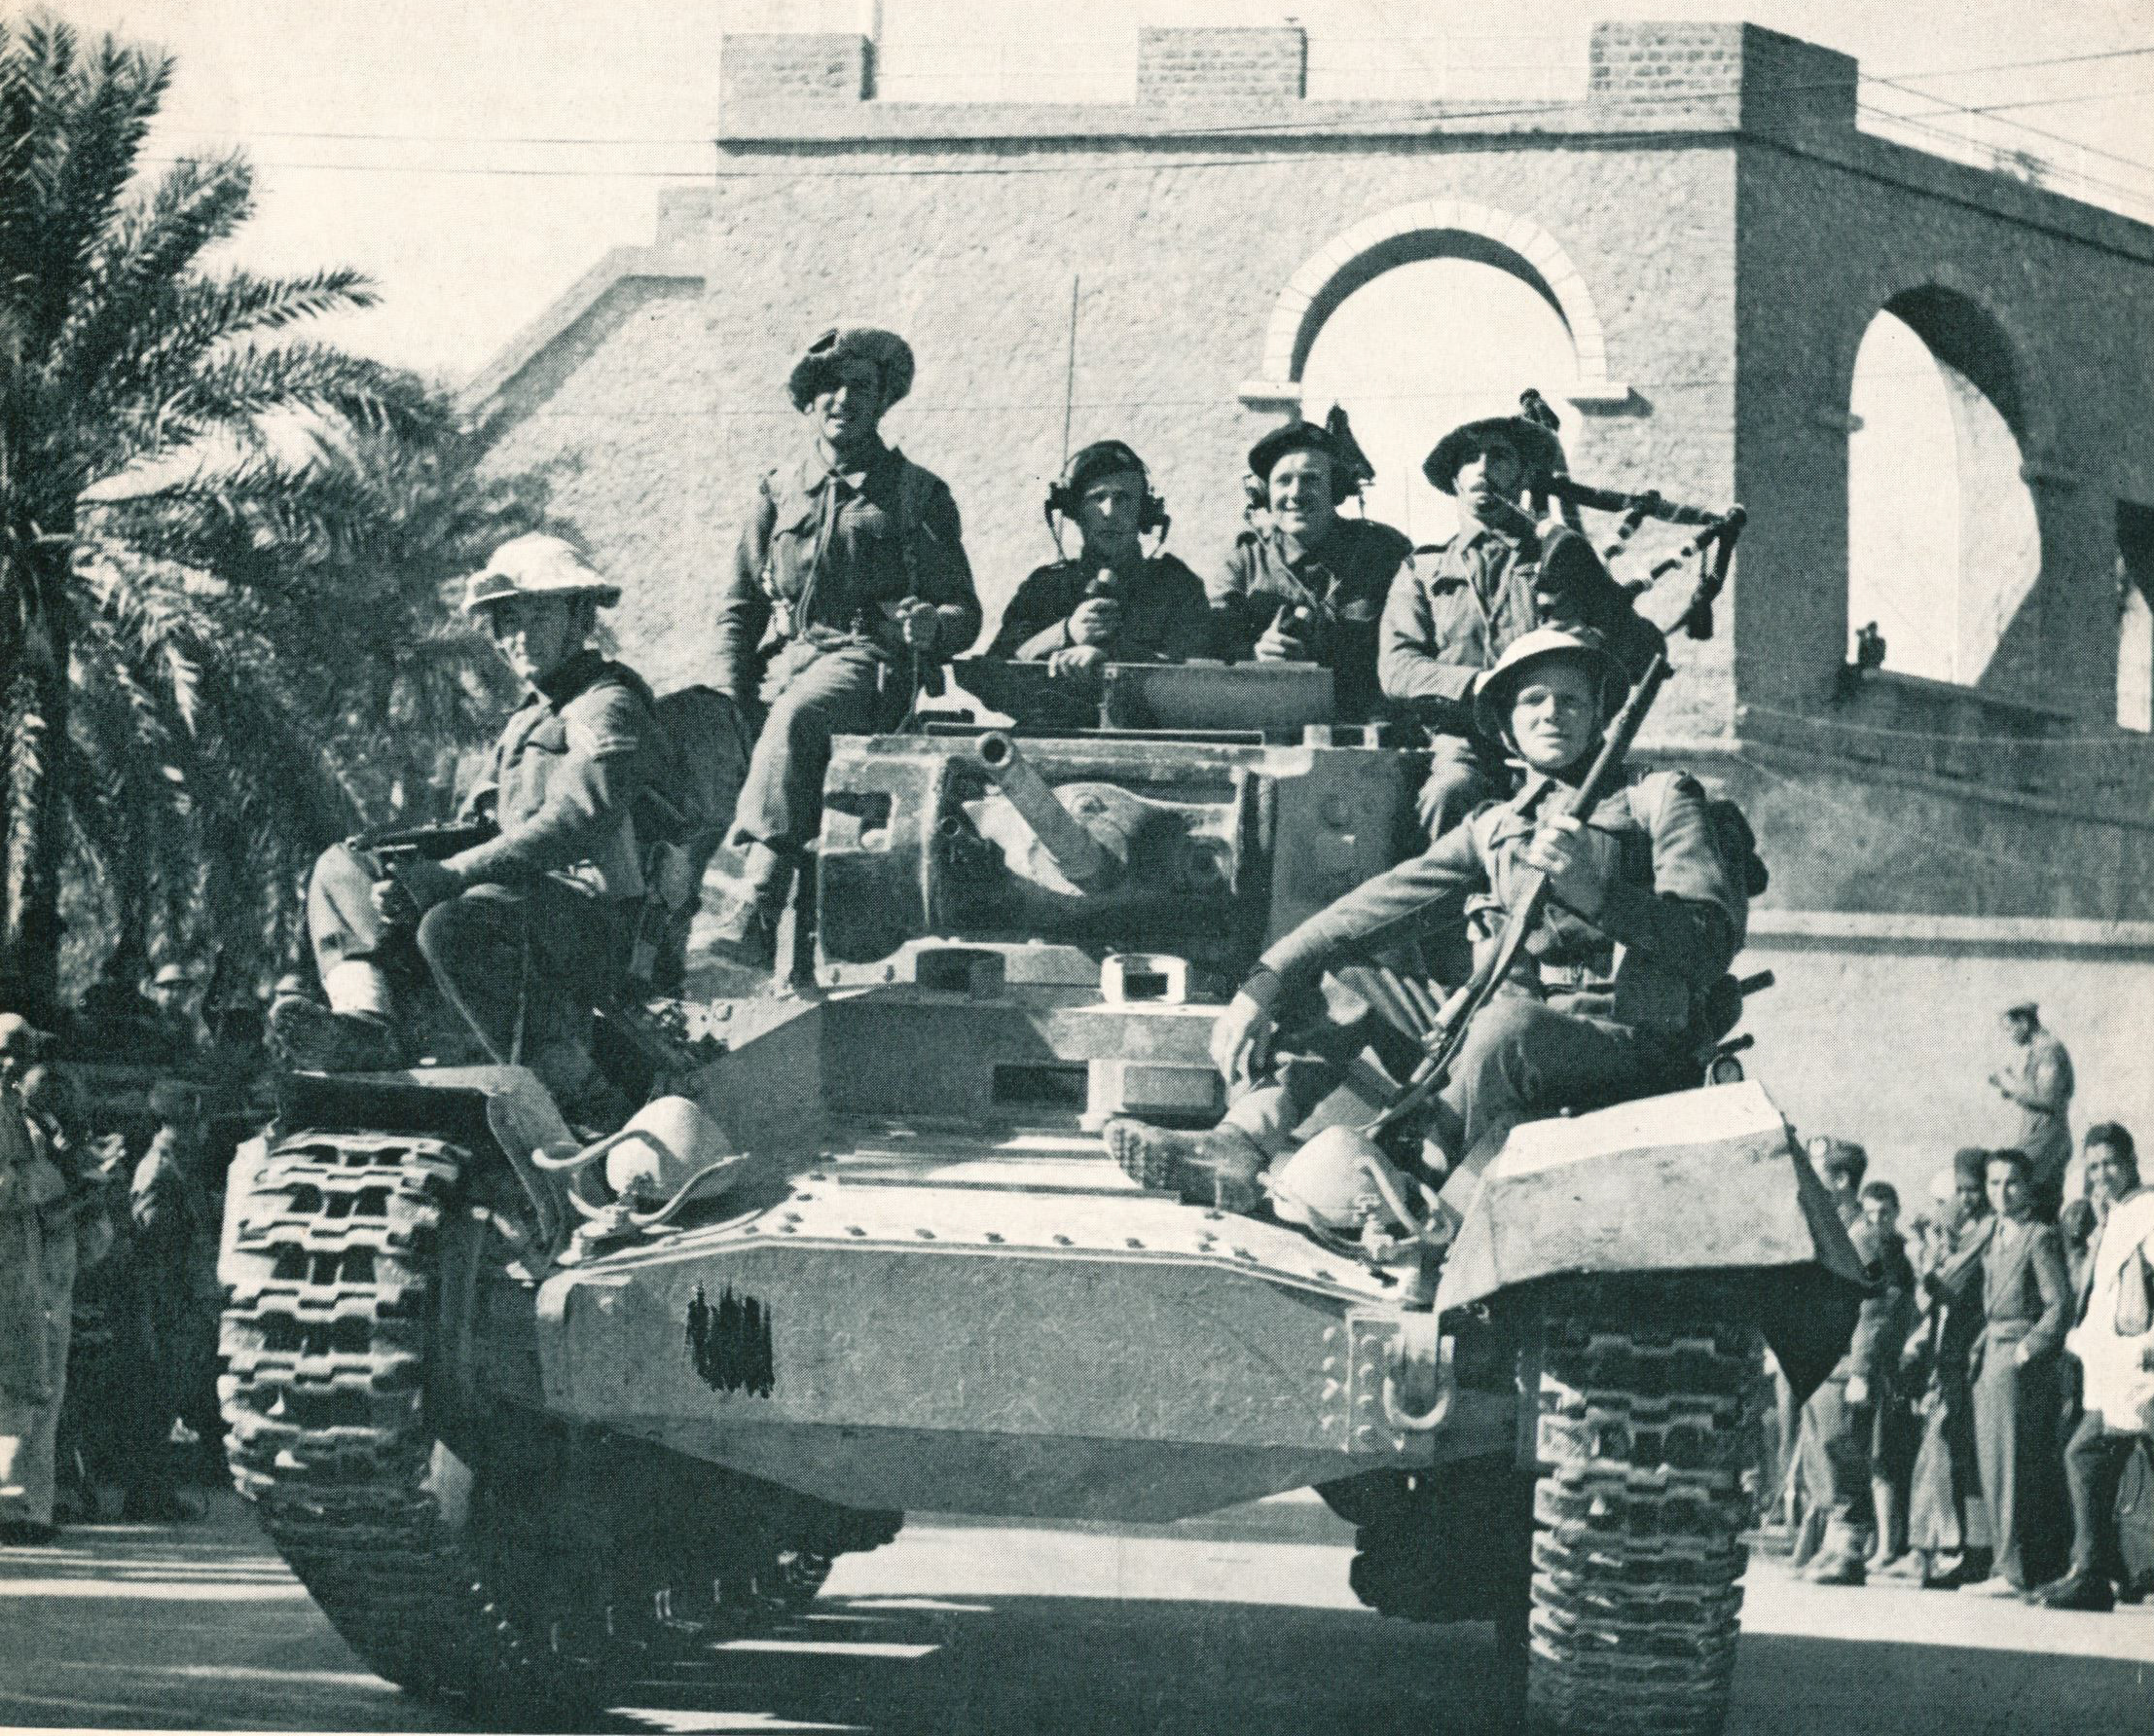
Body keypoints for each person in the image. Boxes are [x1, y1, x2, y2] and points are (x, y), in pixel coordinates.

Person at [1101, 628, 1742, 1215]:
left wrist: (1597, 894)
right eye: (1533, 700)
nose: (1552, 713)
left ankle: (1417, 1193)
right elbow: (1368, 911)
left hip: (1627, 1037)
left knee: (1503, 1029)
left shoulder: (1659, 799)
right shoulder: (1495, 827)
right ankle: (1237, 1145)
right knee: (1349, 978)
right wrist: (1264, 983)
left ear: (1600, 714)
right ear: (1506, 724)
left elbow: (1709, 943)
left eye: (1571, 701)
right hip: (1505, 1021)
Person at [270, 534, 656, 1105]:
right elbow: (483, 825)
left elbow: (580, 818)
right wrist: (402, 870)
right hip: (516, 900)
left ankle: (578, 1088)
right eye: (505, 622)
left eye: (535, 617)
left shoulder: (606, 705)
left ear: (580, 617)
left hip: (592, 921)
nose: (516, 637)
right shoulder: (531, 716)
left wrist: (448, 876)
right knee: (344, 865)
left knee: (453, 924)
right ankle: (365, 1024)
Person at [706, 324, 980, 968]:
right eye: (828, 385)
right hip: (787, 661)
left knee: (798, 715)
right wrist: (727, 697)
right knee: (691, 733)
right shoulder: (778, 491)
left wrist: (932, 627)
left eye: (860, 386)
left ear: (883, 399)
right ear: (808, 399)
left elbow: (964, 611)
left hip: (870, 665)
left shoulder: (917, 494)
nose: (843, 398)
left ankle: (754, 903)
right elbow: (740, 606)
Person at [1380, 410, 1666, 839]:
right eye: (1469, 458)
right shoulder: (1422, 570)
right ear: (1455, 479)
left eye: (1498, 457)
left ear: (1525, 474)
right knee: (1448, 792)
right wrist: (1479, 684)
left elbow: (1645, 653)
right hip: (1467, 742)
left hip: (1560, 738)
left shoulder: (1562, 556)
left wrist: (1594, 618)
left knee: (1620, 818)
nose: (1482, 468)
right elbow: (1398, 668)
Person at [1207, 418, 1412, 725]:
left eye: (1311, 479)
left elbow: (1413, 645)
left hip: (1368, 723)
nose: (1296, 493)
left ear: (1336, 489)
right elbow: (1211, 650)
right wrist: (1256, 655)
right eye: (1283, 481)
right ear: (1264, 493)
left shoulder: (1384, 551)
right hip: (1271, 721)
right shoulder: (1244, 561)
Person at [2034, 1125, 2153, 1609]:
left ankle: (2093, 1574)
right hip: (2114, 1374)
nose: (2102, 1174)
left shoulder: (2148, 1211)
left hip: (2141, 1369)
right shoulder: (2117, 1217)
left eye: (2110, 1163)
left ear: (2131, 1161)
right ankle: (2096, 1573)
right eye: (2094, 1166)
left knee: (2086, 1456)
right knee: (2090, 1459)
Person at [1943, 1147, 2069, 1596]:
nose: (2002, 1192)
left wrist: (2028, 1348)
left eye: (2013, 1183)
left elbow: (2058, 1305)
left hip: (2017, 1361)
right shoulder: (1992, 1235)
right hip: (1988, 1357)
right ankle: (2005, 1561)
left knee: (2013, 1465)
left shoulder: (2039, 1237)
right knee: (1992, 1464)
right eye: (1994, 1183)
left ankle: (2015, 1569)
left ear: (2029, 1187)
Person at [989, 440, 1211, 674]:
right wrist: (1066, 632)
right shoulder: (1045, 587)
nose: (1109, 512)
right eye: (1096, 498)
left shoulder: (1176, 586)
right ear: (1075, 511)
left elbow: (1200, 673)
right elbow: (993, 672)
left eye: (1123, 499)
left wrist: (1114, 658)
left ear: (1144, 512)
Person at [1885, 1147, 1996, 1588]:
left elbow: (1944, 1287)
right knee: (1947, 1454)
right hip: (1947, 1359)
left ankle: (1957, 1550)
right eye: (1961, 1190)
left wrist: (1931, 1257)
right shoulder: (1968, 1233)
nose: (1967, 1199)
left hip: (1969, 1358)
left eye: (1974, 1189)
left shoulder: (1985, 1232)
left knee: (1953, 1454)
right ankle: (1950, 1550)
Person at [129, 1081, 224, 1484]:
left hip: (186, 1297)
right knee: (164, 1395)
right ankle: (149, 1491)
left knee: (179, 1392)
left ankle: (159, 1488)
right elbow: (154, 1241)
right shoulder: (160, 1169)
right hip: (172, 1301)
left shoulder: (179, 1165)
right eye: (200, 1122)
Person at [1989, 1001, 2073, 1221]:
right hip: (2044, 1136)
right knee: (2039, 1208)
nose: (2009, 1036)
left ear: (2024, 1023)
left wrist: (2009, 1083)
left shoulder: (2048, 1050)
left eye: (2010, 1028)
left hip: (2046, 1138)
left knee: (2008, 1185)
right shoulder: (2041, 1050)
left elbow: (2047, 1097)